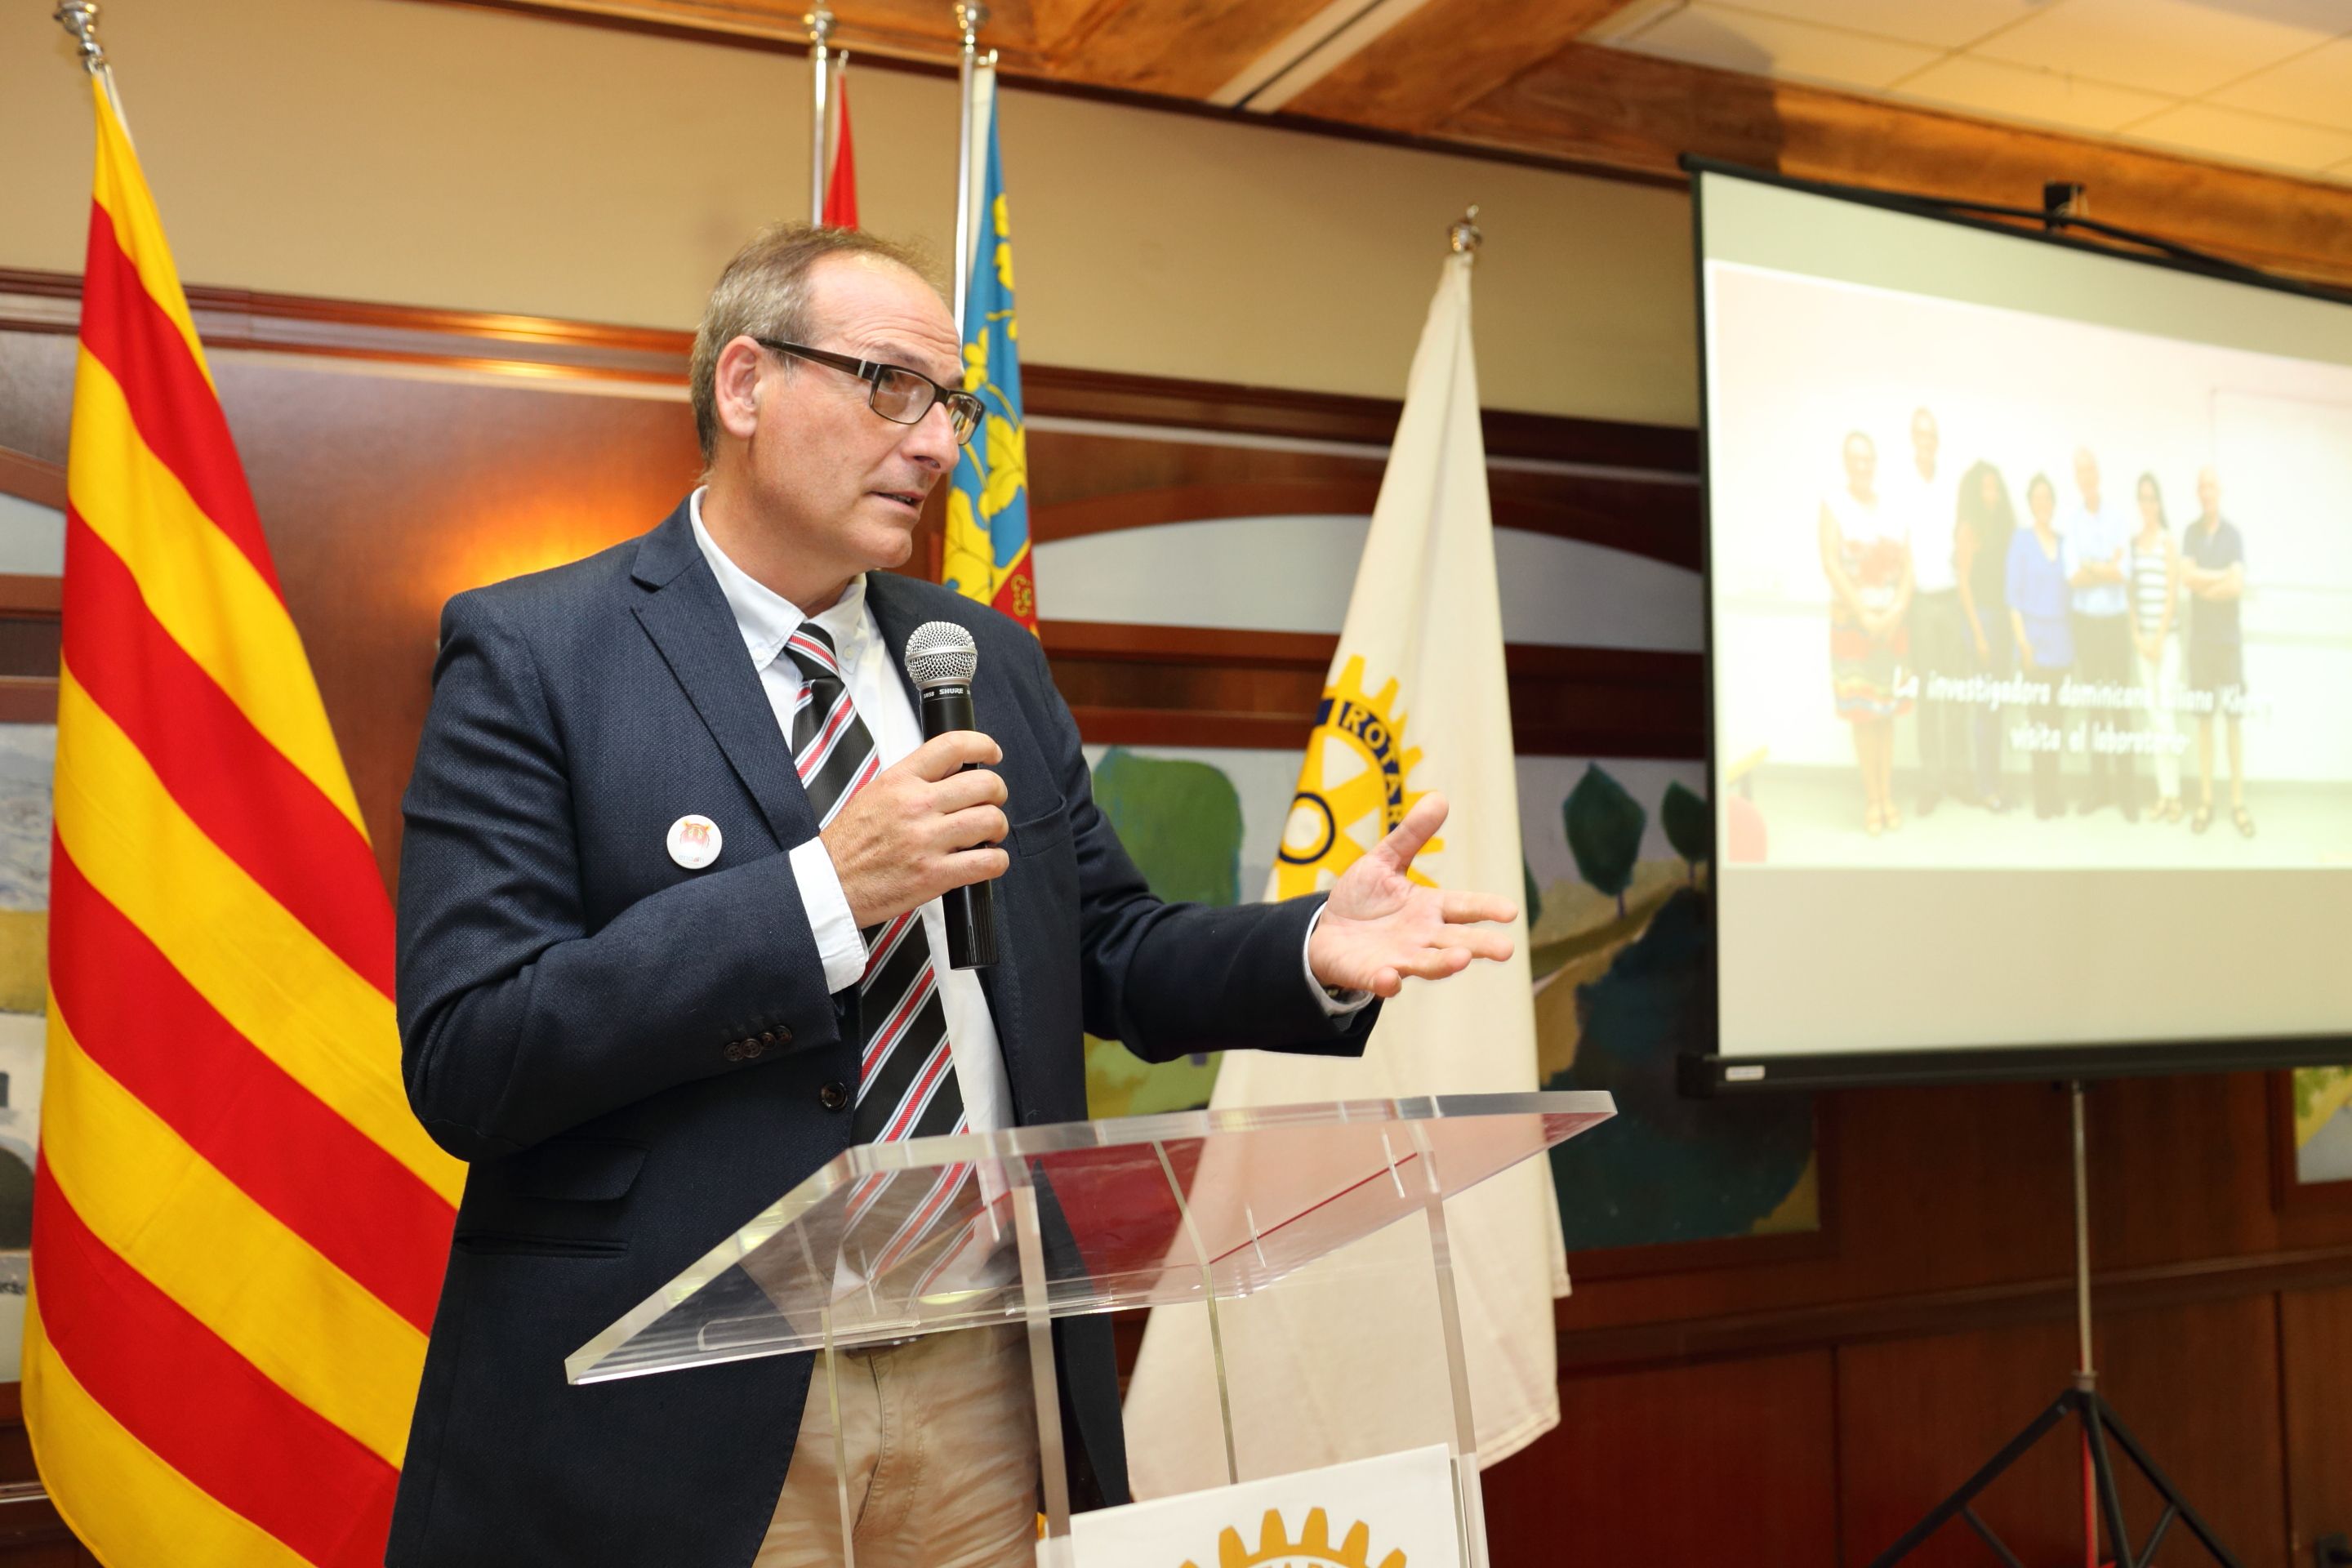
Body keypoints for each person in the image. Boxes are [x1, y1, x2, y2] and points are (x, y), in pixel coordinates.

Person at [384, 225, 1519, 1568]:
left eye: (953, 406)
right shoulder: (538, 654)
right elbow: (473, 1055)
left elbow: (1107, 946)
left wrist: (1310, 949)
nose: (935, 446)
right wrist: (823, 893)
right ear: (744, 385)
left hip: (979, 1373)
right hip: (679, 1411)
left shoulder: (979, 657)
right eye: (890, 388)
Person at [1820, 429, 1913, 836]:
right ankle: (1872, 800)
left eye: (1868, 459)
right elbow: (1830, 562)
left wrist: (1895, 610)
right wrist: (1864, 613)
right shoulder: (1834, 505)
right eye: (1855, 458)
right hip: (1853, 627)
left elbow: (1909, 567)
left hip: (1892, 627)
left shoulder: (1892, 507)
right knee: (1863, 716)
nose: (1862, 465)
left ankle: (1888, 795)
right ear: (1846, 463)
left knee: (1887, 715)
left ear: (1874, 463)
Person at [1899, 408, 1972, 814]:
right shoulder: (1901, 484)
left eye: (1932, 435)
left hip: (1953, 600)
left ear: (1937, 441)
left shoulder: (1952, 484)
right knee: (1928, 695)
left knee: (1955, 692)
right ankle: (1930, 782)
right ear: (1913, 439)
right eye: (1920, 434)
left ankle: (1959, 777)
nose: (1926, 441)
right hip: (1922, 603)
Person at [2065, 448, 2138, 819]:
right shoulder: (2072, 523)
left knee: (2120, 710)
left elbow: (2124, 573)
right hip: (2087, 626)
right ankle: (2098, 790)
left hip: (2115, 624)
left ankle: (2127, 793)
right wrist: (2104, 565)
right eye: (2080, 471)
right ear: (2077, 479)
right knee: (2095, 711)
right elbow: (2072, 578)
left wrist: (2091, 566)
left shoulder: (2119, 519)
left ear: (2099, 474)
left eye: (2091, 469)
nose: (2087, 477)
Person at [2181, 465, 2253, 836]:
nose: (2207, 492)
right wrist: (2220, 577)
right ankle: (2207, 801)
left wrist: (2205, 584)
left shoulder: (2233, 535)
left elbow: (2237, 585)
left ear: (2219, 491)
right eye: (2202, 487)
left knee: (2233, 724)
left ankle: (2238, 802)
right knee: (2205, 724)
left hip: (2228, 646)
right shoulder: (2191, 534)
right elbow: (2186, 577)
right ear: (2198, 493)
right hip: (2201, 646)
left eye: (2212, 486)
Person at [2007, 474, 2075, 820]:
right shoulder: (2020, 541)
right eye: (2037, 497)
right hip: (2033, 645)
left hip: (2062, 646)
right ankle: (2041, 796)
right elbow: (2013, 598)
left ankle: (2054, 791)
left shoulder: (2065, 543)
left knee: (2055, 725)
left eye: (2048, 497)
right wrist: (2023, 643)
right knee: (2038, 726)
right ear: (2030, 503)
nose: (2043, 503)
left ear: (2054, 502)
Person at [1953, 460, 2017, 813]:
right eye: (1985, 489)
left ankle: (1996, 782)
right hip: (1982, 622)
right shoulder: (1969, 528)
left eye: (1995, 488)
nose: (1991, 495)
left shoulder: (2003, 527)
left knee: (1997, 707)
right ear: (1976, 493)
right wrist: (1978, 634)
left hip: (2003, 621)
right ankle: (1985, 788)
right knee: (1985, 708)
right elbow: (1963, 583)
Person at [2128, 472, 2185, 822]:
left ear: (2159, 503)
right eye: (2143, 498)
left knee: (2166, 717)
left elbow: (2172, 594)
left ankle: (2174, 796)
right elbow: (2131, 594)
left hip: (2167, 643)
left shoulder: (2168, 542)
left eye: (2152, 498)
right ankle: (2164, 795)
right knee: (2153, 719)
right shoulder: (2134, 543)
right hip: (2143, 643)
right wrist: (2138, 635)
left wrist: (2159, 639)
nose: (2147, 504)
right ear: (2139, 503)